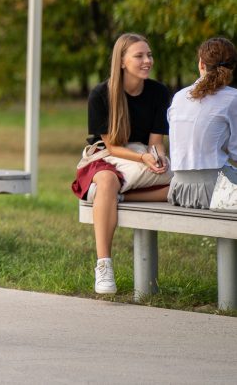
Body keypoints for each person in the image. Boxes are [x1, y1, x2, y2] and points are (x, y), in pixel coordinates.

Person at [72, 33, 170, 295]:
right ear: (123, 61)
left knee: (181, 185)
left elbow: (156, 142)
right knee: (107, 181)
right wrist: (142, 158)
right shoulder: (101, 94)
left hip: (141, 156)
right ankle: (104, 266)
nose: (147, 60)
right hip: (107, 156)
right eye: (139, 56)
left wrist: (157, 158)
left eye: (148, 55)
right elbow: (112, 146)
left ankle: (116, 198)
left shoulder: (159, 93)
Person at [167, 37, 237, 208]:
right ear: (232, 67)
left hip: (179, 189)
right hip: (215, 190)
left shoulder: (179, 97)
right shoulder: (232, 98)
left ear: (201, 64)